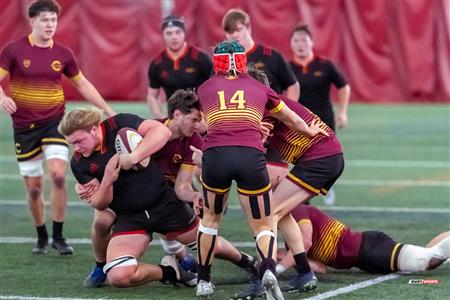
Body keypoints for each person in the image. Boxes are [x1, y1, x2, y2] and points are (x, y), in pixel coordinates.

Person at [71, 99, 257, 289]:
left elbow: (161, 134)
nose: (75, 147)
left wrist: (133, 157)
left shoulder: (121, 124)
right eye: (72, 143)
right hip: (129, 215)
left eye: (78, 141)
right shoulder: (78, 162)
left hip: (164, 202)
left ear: (93, 129)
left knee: (210, 244)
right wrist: (108, 179)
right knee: (118, 274)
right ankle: (169, 272)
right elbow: (100, 203)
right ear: (176, 115)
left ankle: (248, 262)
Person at [195, 40, 327, 300]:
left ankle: (203, 281)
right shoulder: (259, 88)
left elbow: (201, 125)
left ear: (216, 62)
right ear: (243, 61)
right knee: (263, 222)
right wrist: (309, 130)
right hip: (251, 155)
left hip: (216, 156)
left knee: (210, 221)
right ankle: (267, 268)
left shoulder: (204, 88)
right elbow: (290, 117)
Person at [0, 0, 115, 255]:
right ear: (32, 21)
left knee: (59, 175)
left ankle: (59, 236)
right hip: (24, 127)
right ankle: (41, 235)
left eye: (53, 20)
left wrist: (107, 110)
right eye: (44, 20)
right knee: (34, 189)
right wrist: (2, 97)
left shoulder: (63, 53)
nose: (50, 24)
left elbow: (82, 84)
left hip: (55, 123)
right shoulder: (14, 50)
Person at [276, 205, 450, 275]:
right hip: (365, 260)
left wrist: (277, 269)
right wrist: (284, 257)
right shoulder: (290, 242)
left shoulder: (297, 211)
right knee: (428, 252)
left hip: (369, 248)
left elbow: (306, 241)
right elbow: (320, 268)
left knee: (426, 261)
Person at [289, 24, 351, 205]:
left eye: (304, 40)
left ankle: (326, 186)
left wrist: (343, 112)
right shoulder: (287, 67)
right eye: (296, 40)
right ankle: (303, 199)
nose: (300, 44)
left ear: (311, 42)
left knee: (328, 157)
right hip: (299, 122)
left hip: (324, 120)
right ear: (291, 44)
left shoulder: (325, 65)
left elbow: (343, 86)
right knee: (301, 160)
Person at [222, 8, 300, 101]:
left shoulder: (271, 56)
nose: (234, 35)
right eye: (230, 32)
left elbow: (292, 85)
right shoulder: (222, 60)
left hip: (268, 113)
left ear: (248, 28)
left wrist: (288, 112)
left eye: (239, 30)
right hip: (238, 114)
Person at [147, 15, 213, 118]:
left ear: (184, 33)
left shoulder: (201, 58)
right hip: (174, 118)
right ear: (163, 35)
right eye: (169, 33)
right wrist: (161, 117)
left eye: (178, 32)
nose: (174, 37)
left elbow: (215, 87)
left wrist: (207, 116)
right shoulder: (157, 63)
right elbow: (152, 95)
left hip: (200, 118)